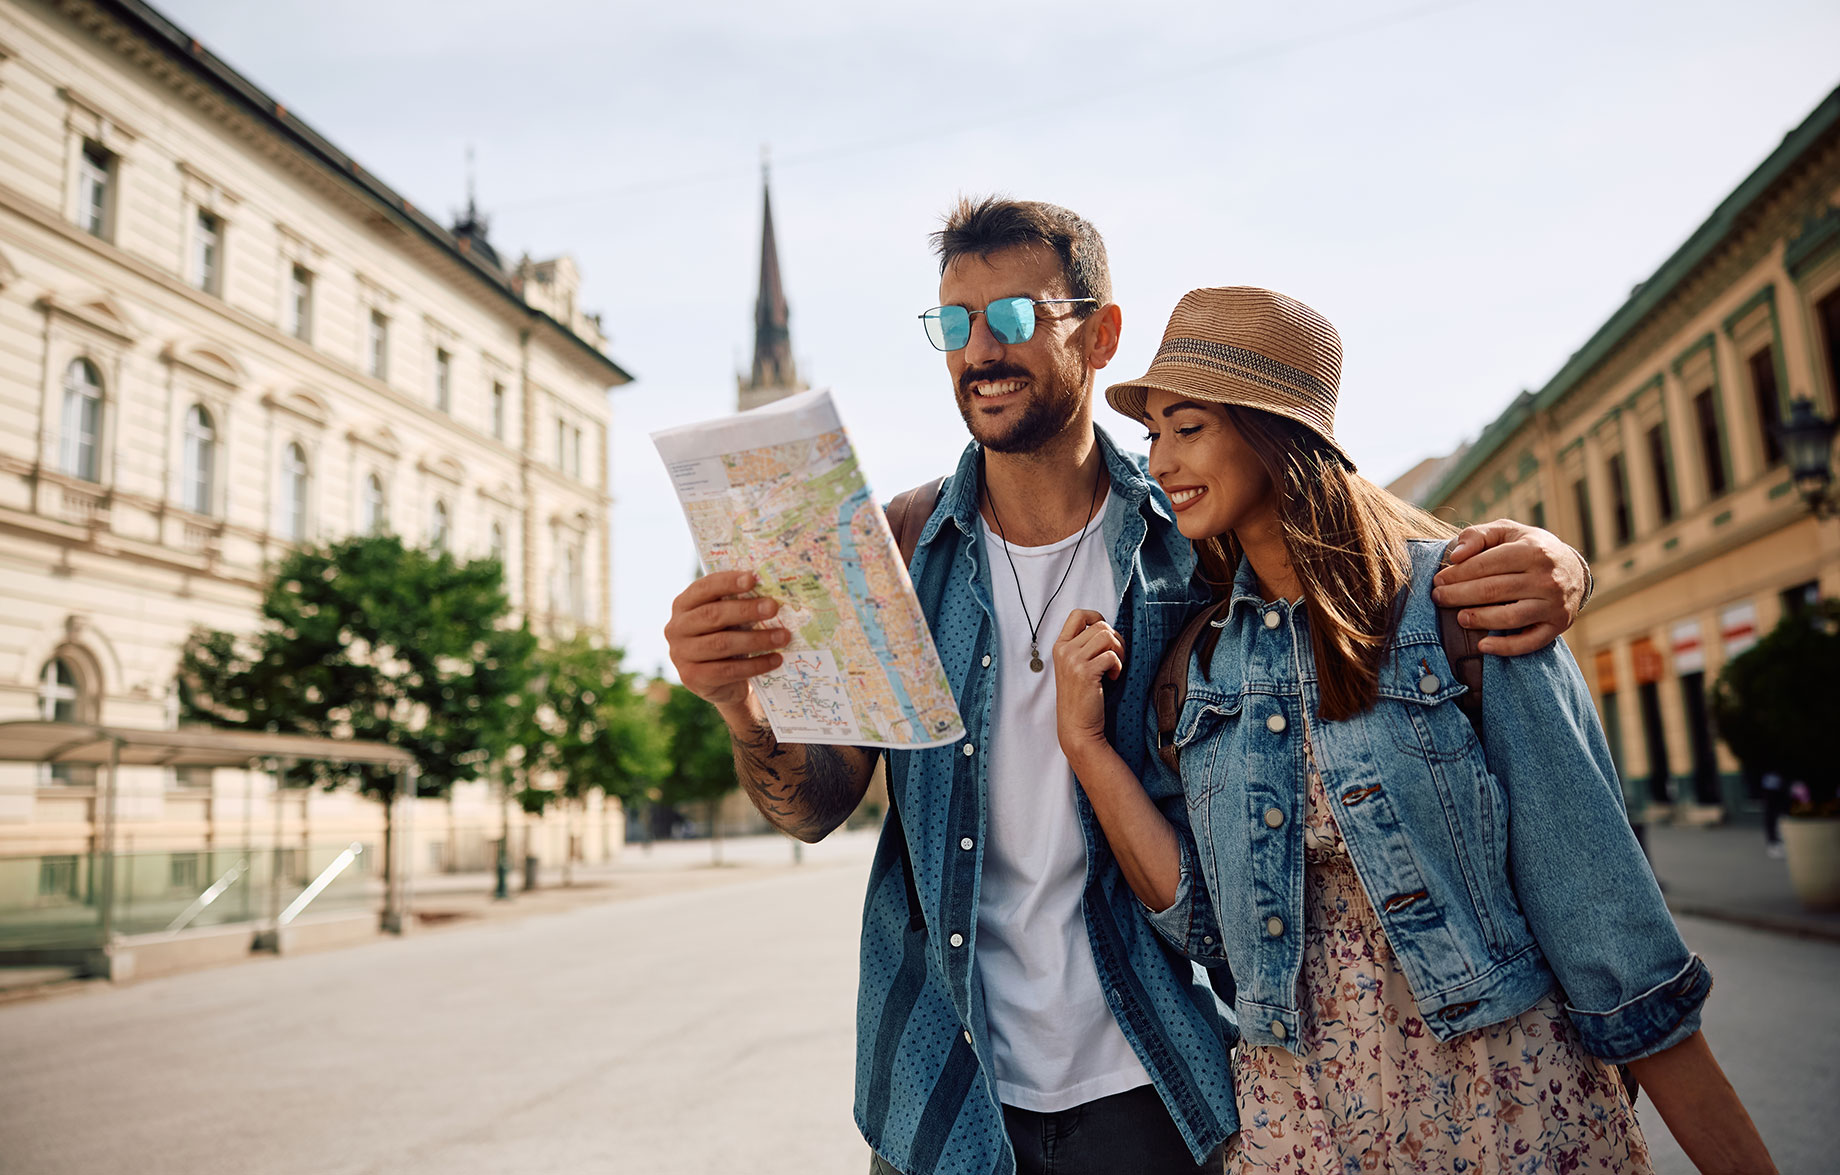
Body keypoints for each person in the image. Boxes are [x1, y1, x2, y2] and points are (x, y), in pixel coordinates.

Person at [664, 201, 1591, 1175]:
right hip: (944, 1093)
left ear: (1100, 332)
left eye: (1014, 318)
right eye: (954, 322)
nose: (979, 350)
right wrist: (741, 704)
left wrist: (1557, 560)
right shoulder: (889, 550)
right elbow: (816, 804)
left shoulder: (1191, 534)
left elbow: (1357, 556)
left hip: (1155, 1077)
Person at [1052, 286, 1776, 1174]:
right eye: (1154, 432)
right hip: (1299, 1125)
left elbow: (1610, 929)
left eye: (1188, 426)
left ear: (1275, 431)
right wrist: (1085, 749)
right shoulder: (1199, 664)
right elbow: (1206, 926)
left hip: (1499, 1104)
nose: (1160, 459)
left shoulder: (1463, 608)